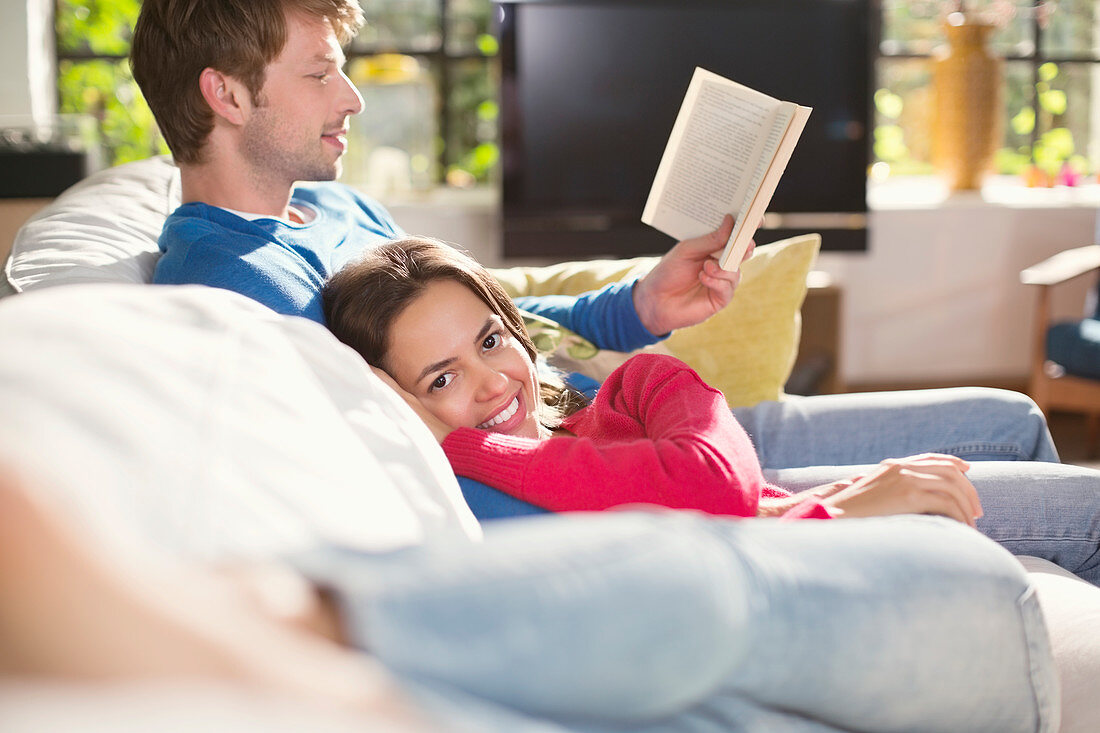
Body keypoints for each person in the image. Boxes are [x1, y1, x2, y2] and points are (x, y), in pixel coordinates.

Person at [128, 0, 1085, 552]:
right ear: (225, 92)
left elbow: (474, 312)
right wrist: (810, 516)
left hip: (614, 420)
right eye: (319, 73)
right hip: (622, 474)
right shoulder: (230, 289)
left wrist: (636, 305)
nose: (353, 96)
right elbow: (439, 482)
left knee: (1009, 418)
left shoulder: (323, 207)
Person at [0, 458, 1062, 732]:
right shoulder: (496, 476)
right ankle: (313, 657)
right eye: (322, 71)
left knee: (691, 598)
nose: (353, 97)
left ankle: (285, 622)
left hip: (906, 580)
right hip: (958, 631)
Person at [322, 236, 1100, 584]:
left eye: (492, 339)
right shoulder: (499, 484)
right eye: (441, 379)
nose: (492, 381)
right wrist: (850, 507)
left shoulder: (634, 390)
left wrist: (843, 498)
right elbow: (713, 500)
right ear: (401, 406)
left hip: (809, 523)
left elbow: (720, 487)